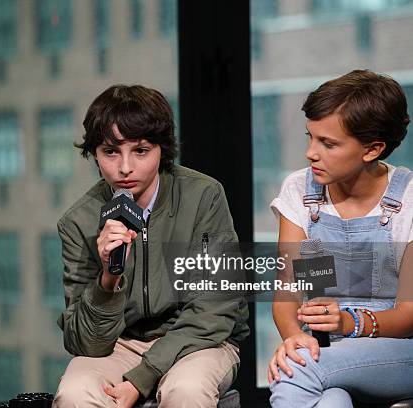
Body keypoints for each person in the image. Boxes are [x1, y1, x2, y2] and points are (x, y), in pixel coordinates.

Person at [53, 85, 249, 408]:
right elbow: (83, 341)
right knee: (75, 393)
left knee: (185, 390)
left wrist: (143, 376)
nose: (125, 167)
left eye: (141, 151)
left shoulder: (203, 197)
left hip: (198, 342)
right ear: (95, 154)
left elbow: (216, 308)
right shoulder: (78, 221)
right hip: (119, 346)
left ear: (162, 149)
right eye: (111, 152)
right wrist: (107, 279)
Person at [268, 70, 413, 407]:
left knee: (296, 370)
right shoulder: (299, 190)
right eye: (311, 137)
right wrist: (294, 339)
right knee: (329, 400)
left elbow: (409, 312)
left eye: (328, 143)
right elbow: (287, 292)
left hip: (400, 349)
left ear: (372, 149)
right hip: (328, 349)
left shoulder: (408, 201)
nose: (310, 153)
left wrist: (350, 321)